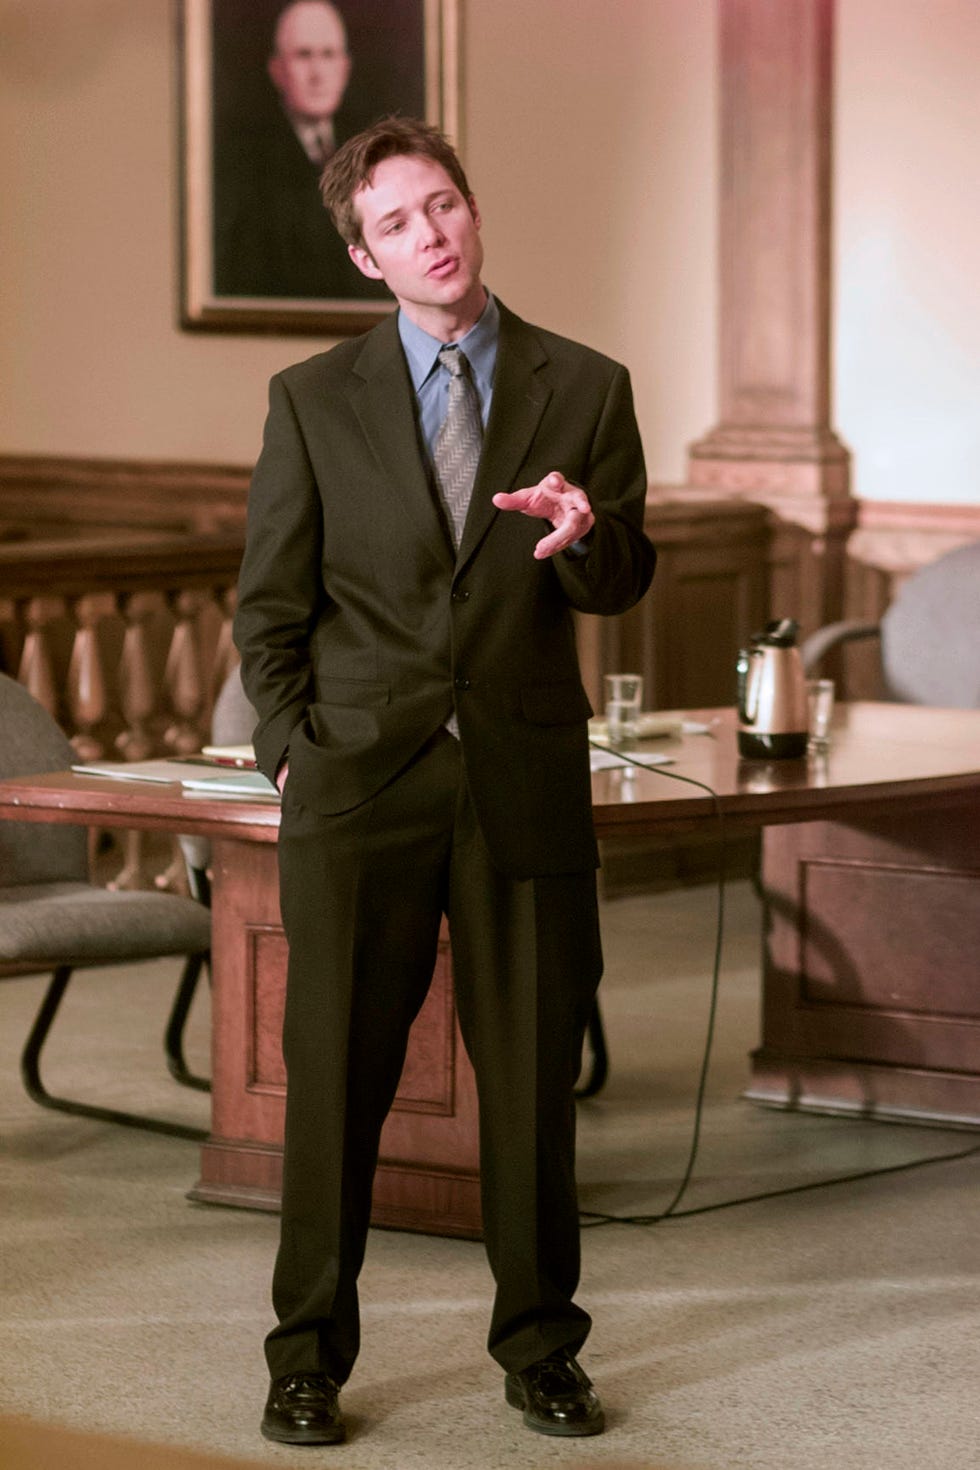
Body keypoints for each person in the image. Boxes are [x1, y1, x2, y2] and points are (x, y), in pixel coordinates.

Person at [234, 116, 656, 1446]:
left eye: (447, 204)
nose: (435, 232)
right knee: (333, 1085)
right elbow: (268, 606)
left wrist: (587, 541)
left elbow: (624, 571)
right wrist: (295, 750)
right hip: (361, 784)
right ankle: (305, 1357)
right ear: (367, 256)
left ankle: (543, 1351)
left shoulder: (585, 384)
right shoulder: (312, 398)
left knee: (532, 1089)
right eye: (402, 221)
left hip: (522, 776)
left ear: (474, 210)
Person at [212, 0, 387, 302]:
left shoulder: (372, 148)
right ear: (277, 70)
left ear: (345, 68)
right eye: (304, 56)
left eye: (328, 55)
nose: (318, 72)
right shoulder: (242, 159)